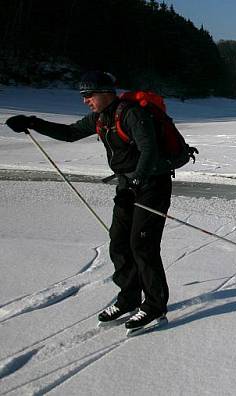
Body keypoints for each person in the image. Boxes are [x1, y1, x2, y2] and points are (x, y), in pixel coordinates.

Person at [5, 71, 172, 332]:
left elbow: (148, 149)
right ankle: (129, 297)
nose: (85, 100)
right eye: (83, 95)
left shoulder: (131, 114)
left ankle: (155, 305)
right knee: (119, 240)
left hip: (152, 185)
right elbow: (70, 133)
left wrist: (138, 179)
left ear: (106, 93)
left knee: (142, 245)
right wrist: (32, 122)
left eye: (88, 95)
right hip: (127, 186)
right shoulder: (101, 117)